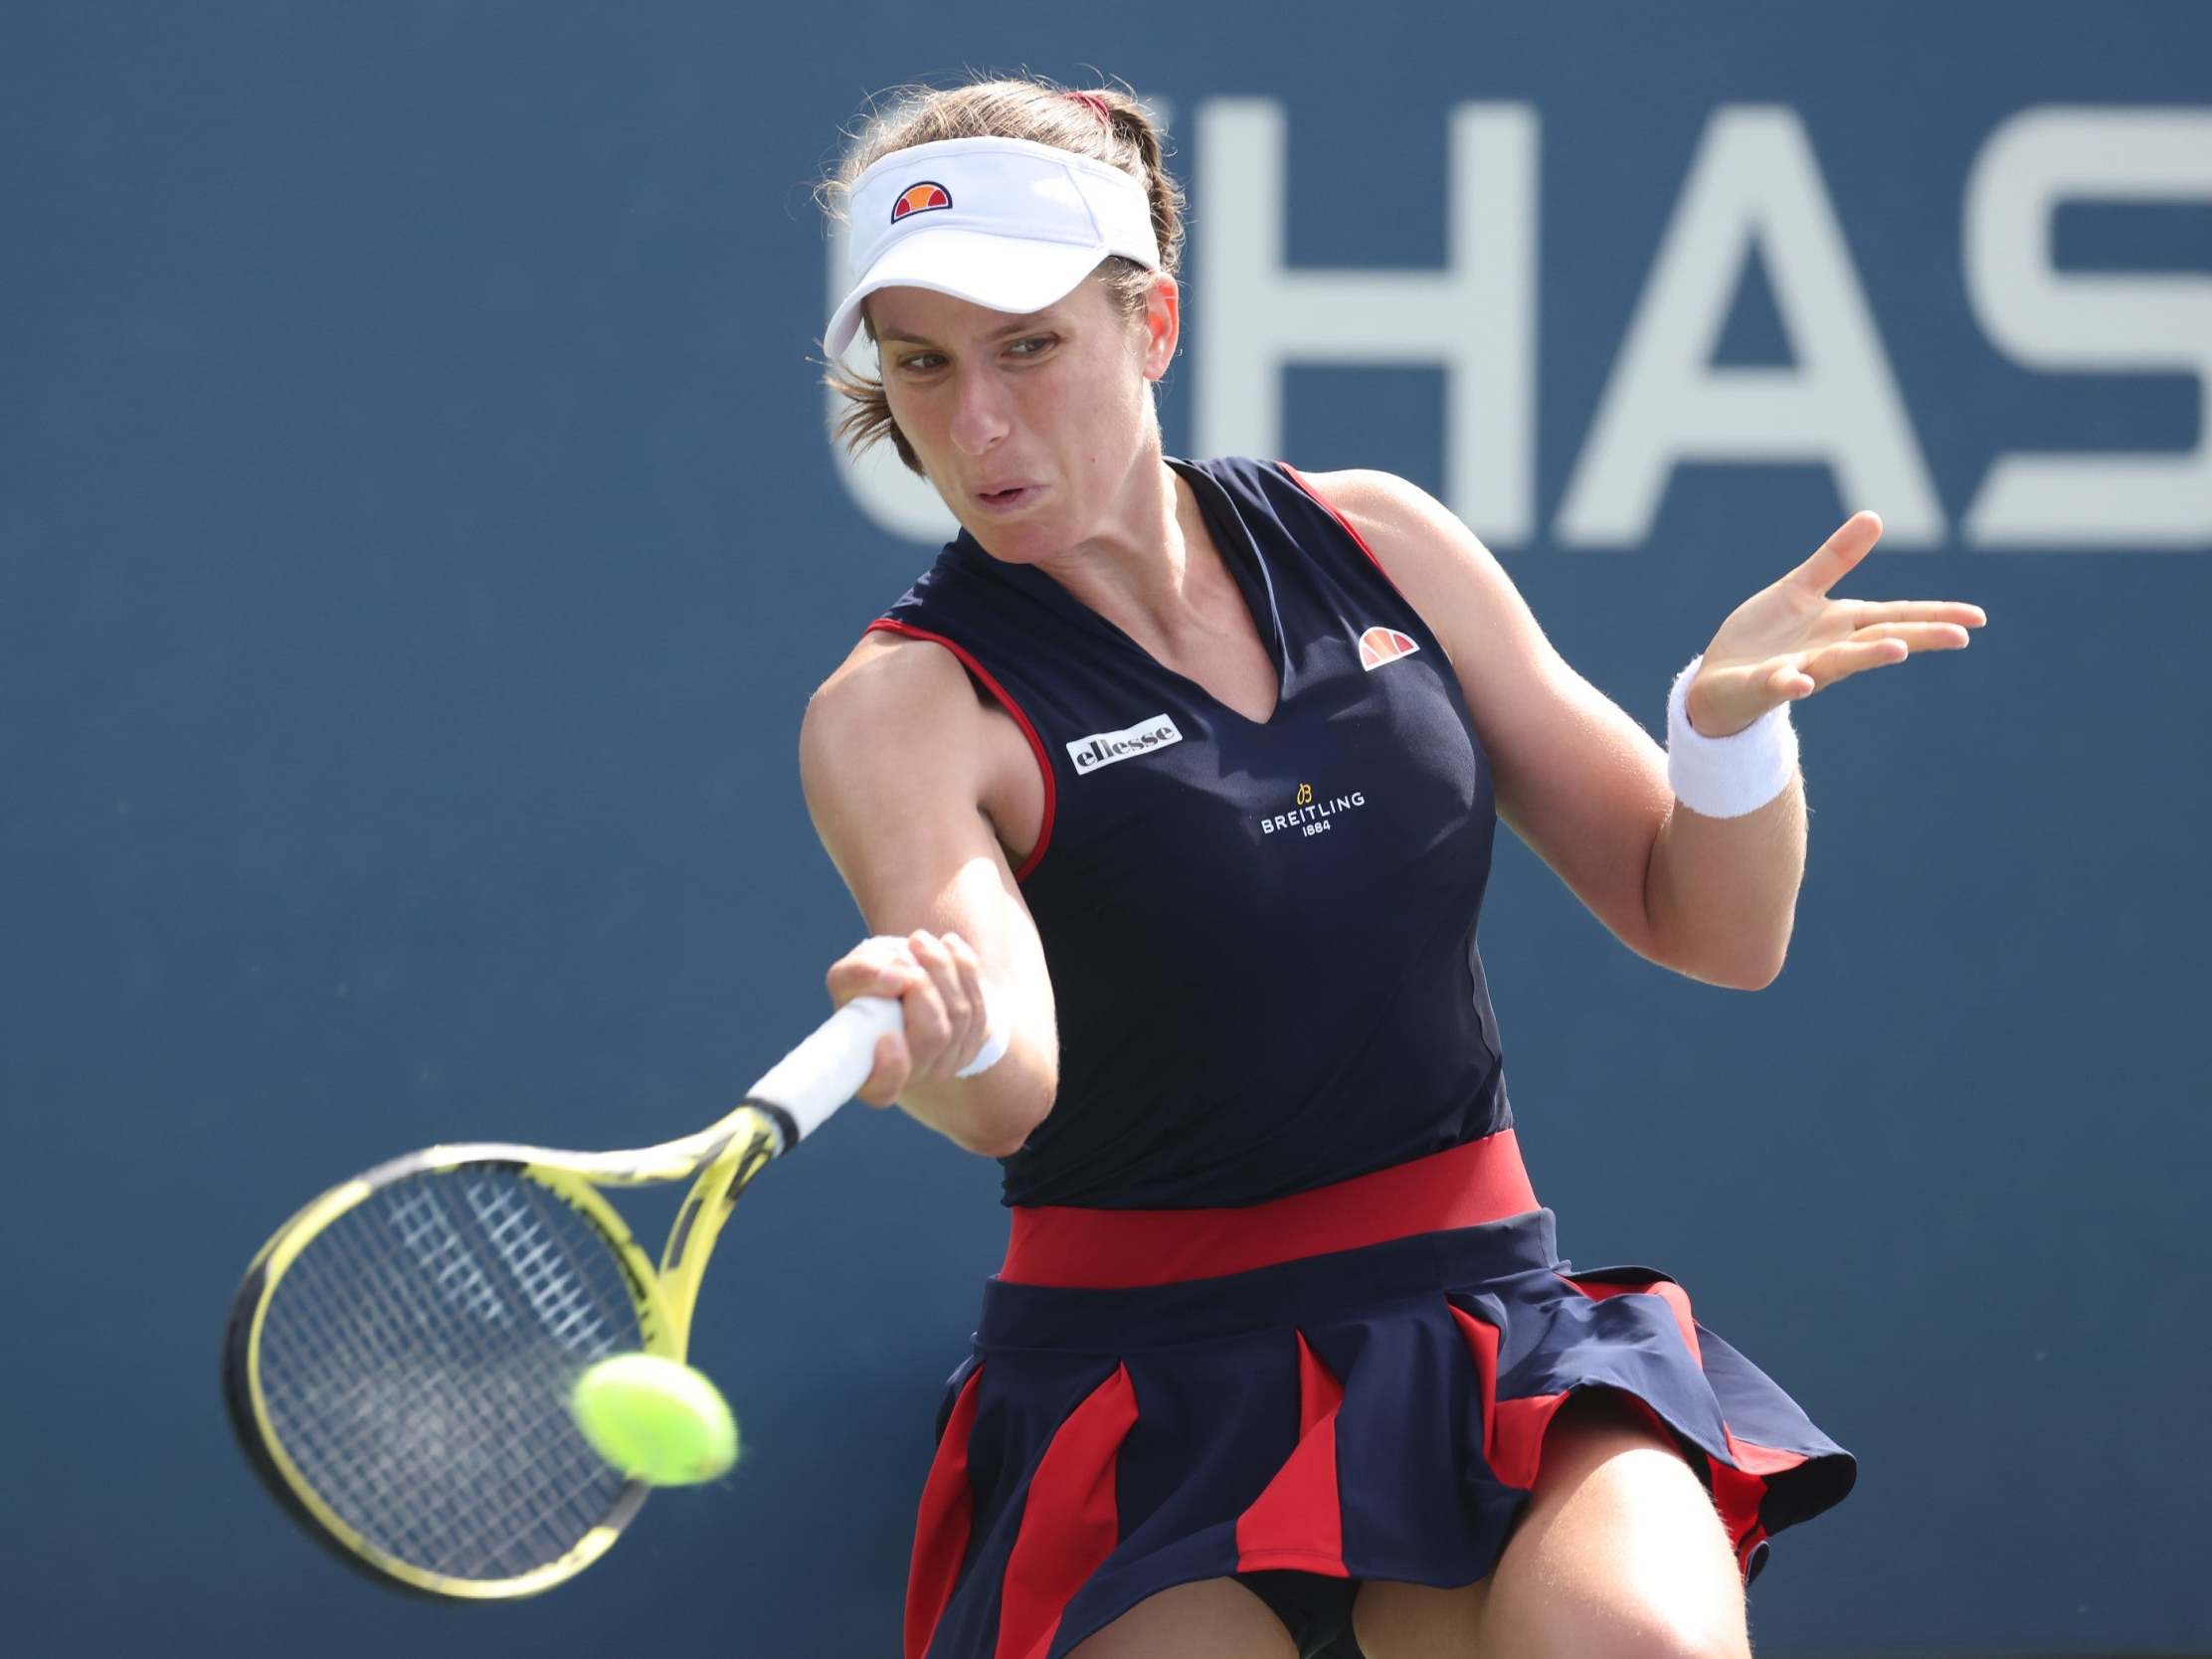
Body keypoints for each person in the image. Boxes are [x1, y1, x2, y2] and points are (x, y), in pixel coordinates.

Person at [800, 76, 1982, 1659]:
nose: (979, 426)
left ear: (1149, 326)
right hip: (1138, 1399)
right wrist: (944, 1026)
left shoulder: (1381, 543)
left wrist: (1722, 736)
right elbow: (1003, 1081)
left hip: (1478, 1338)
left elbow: (1708, 920)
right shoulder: (904, 706)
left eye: (1031, 347)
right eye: (925, 368)